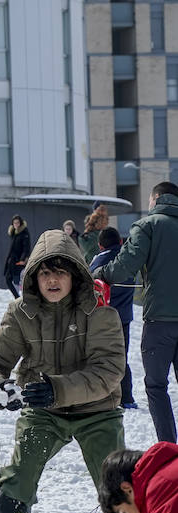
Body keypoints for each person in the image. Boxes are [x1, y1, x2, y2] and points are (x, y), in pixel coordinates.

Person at [0, 229, 143, 513]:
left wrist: (58, 388)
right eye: (45, 272)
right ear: (34, 276)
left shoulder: (100, 312)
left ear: (75, 274)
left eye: (60, 272)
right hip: (43, 410)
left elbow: (109, 370)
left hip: (97, 410)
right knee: (19, 474)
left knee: (116, 480)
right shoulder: (21, 312)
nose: (52, 280)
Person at [93, 181, 178, 443]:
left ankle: (169, 451)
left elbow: (124, 266)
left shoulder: (148, 226)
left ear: (156, 199)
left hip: (160, 322)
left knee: (156, 386)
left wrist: (99, 274)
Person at [89, 226, 138, 409]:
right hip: (125, 316)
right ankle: (127, 398)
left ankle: (103, 396)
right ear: (120, 242)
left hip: (104, 317)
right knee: (122, 356)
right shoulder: (129, 258)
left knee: (103, 357)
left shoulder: (99, 261)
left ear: (100, 245)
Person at [4, 215, 31, 298]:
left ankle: (23, 298)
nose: (16, 224)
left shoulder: (24, 233)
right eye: (14, 223)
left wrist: (22, 259)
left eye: (17, 223)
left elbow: (26, 248)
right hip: (12, 261)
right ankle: (17, 298)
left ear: (20, 223)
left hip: (19, 261)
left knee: (18, 281)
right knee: (9, 279)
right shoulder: (14, 233)